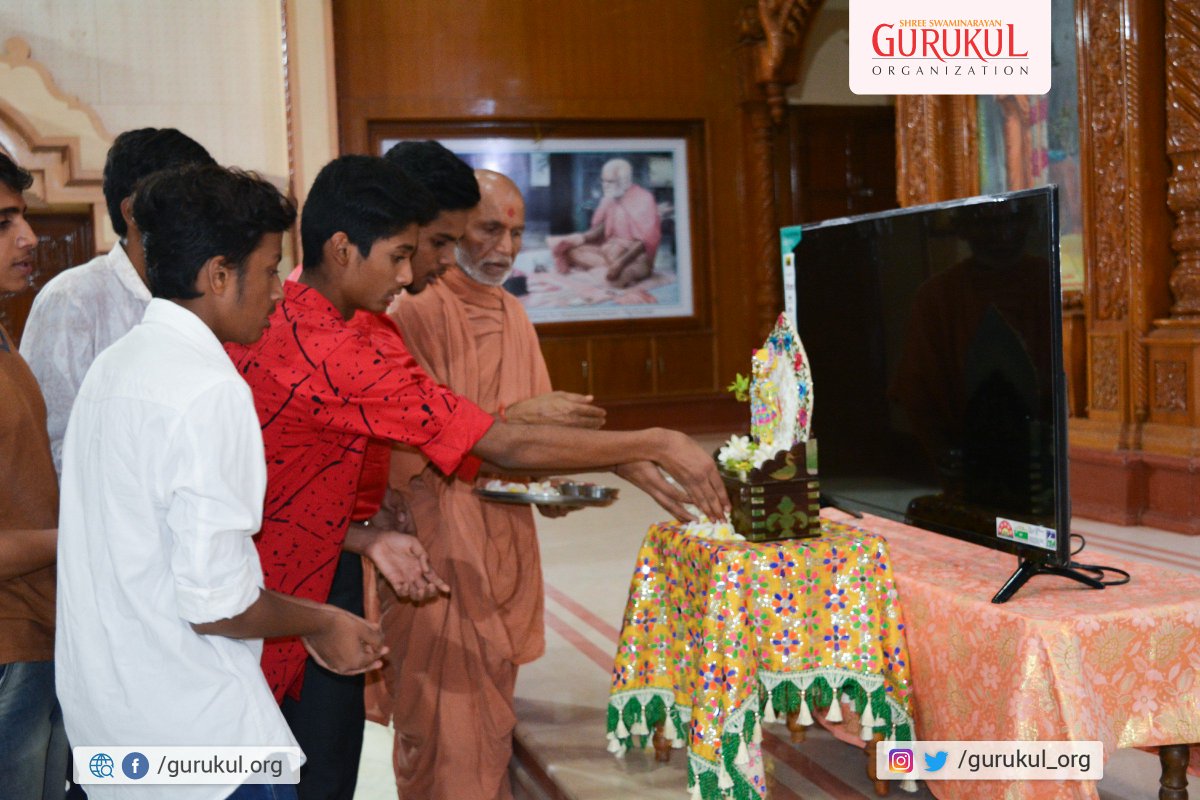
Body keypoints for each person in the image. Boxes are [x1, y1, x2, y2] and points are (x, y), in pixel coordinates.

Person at [227, 154, 727, 800]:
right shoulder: (340, 346)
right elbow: (496, 442)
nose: (414, 276)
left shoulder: (330, 324)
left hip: (315, 578)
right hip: (263, 604)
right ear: (344, 249)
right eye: (409, 253)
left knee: (321, 769)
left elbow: (290, 480)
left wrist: (362, 540)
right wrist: (654, 440)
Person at [54, 164, 386, 800]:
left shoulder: (113, 367)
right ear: (217, 276)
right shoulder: (209, 389)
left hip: (110, 741)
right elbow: (217, 604)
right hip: (201, 751)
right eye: (268, 271)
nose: (278, 293)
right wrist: (320, 621)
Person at [371, 163, 613, 800]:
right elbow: (408, 451)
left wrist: (547, 474)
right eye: (486, 230)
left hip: (501, 533)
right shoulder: (414, 310)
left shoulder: (512, 313)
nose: (504, 248)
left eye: (517, 233)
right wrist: (515, 428)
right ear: (446, 231)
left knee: (488, 716)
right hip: (436, 542)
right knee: (445, 726)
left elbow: (522, 444)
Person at [19, 128, 216, 476]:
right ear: (134, 212)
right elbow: (50, 448)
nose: (207, 223)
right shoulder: (74, 299)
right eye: (190, 206)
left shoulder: (202, 294)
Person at [0, 151, 68, 800]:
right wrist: (79, 536)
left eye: (22, 218)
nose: (28, 239)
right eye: (2, 223)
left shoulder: (5, 339)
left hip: (41, 635)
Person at [547, 157, 662, 288]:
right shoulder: (609, 199)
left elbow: (644, 241)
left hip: (634, 258)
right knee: (570, 252)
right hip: (608, 252)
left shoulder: (644, 198)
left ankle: (612, 271)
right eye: (603, 181)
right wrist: (577, 239)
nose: (604, 185)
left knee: (615, 280)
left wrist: (620, 263)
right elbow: (600, 230)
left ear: (625, 182)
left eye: (610, 181)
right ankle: (607, 269)